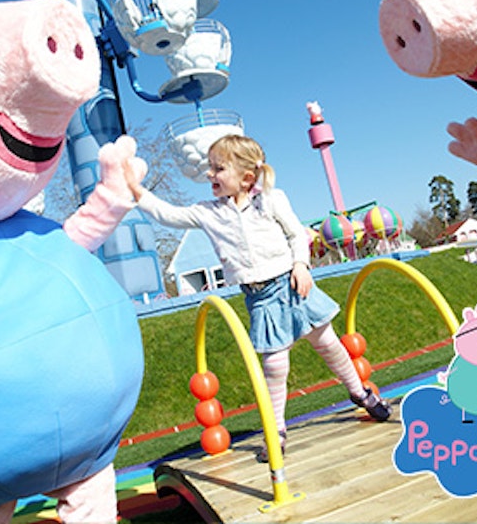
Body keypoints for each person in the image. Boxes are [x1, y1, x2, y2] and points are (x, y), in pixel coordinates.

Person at [124, 134, 390, 461]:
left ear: (246, 177)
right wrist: (137, 192)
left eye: (218, 168)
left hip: (292, 284)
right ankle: (276, 429)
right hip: (260, 297)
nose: (210, 175)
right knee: (275, 365)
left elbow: (296, 235)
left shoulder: (272, 200)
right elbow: (168, 215)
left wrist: (302, 266)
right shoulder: (208, 212)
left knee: (328, 342)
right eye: (210, 168)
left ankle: (359, 392)